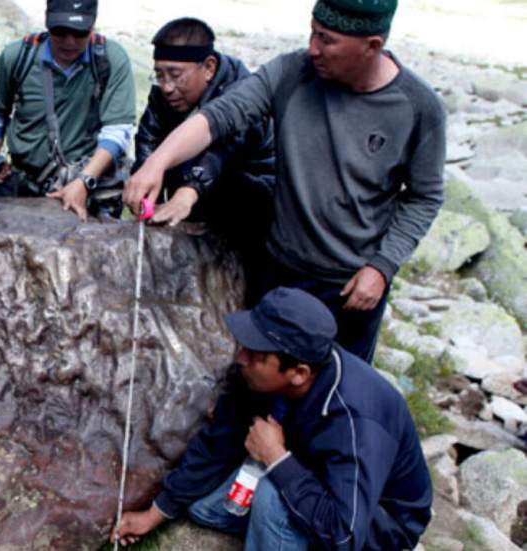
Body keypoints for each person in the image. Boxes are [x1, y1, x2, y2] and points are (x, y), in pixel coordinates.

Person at [124, 0, 446, 363]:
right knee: (264, 381)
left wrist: (382, 267)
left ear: (371, 45)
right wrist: (158, 162)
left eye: (327, 40)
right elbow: (221, 116)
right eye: (312, 33)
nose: (313, 48)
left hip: (352, 284)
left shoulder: (417, 108)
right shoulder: (292, 72)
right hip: (282, 268)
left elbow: (425, 197)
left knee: (335, 395)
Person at [111, 287, 433, 551]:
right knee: (200, 506)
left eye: (255, 355)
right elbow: (218, 442)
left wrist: (276, 459)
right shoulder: (259, 376)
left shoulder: (354, 419)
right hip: (308, 471)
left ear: (298, 373)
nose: (241, 358)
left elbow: (345, 535)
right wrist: (156, 513)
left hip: (374, 525)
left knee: (270, 496)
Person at [0, 0, 137, 221]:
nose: (69, 42)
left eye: (79, 33)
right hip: (24, 178)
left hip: (86, 182)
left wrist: (84, 182)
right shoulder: (17, 57)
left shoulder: (111, 59)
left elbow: (118, 129)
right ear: (47, 22)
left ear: (93, 27)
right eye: (60, 32)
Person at [134, 17, 275, 305]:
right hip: (194, 198)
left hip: (250, 205)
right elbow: (149, 135)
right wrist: (143, 180)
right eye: (159, 76)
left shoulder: (245, 92)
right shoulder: (164, 96)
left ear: (208, 67)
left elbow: (226, 148)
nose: (167, 87)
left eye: (175, 75)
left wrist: (190, 190)